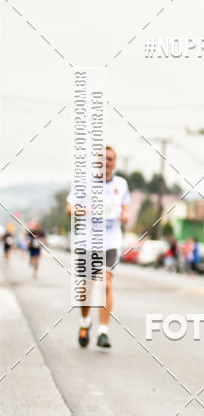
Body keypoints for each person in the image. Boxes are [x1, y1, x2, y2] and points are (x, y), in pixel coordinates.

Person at [66, 145, 129, 349]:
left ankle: (103, 332)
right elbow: (69, 209)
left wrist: (125, 216)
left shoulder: (121, 184)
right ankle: (85, 322)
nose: (106, 162)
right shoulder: (84, 184)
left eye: (110, 159)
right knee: (85, 288)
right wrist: (87, 210)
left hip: (110, 243)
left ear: (114, 163)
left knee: (106, 283)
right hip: (87, 241)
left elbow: (125, 210)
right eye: (103, 158)